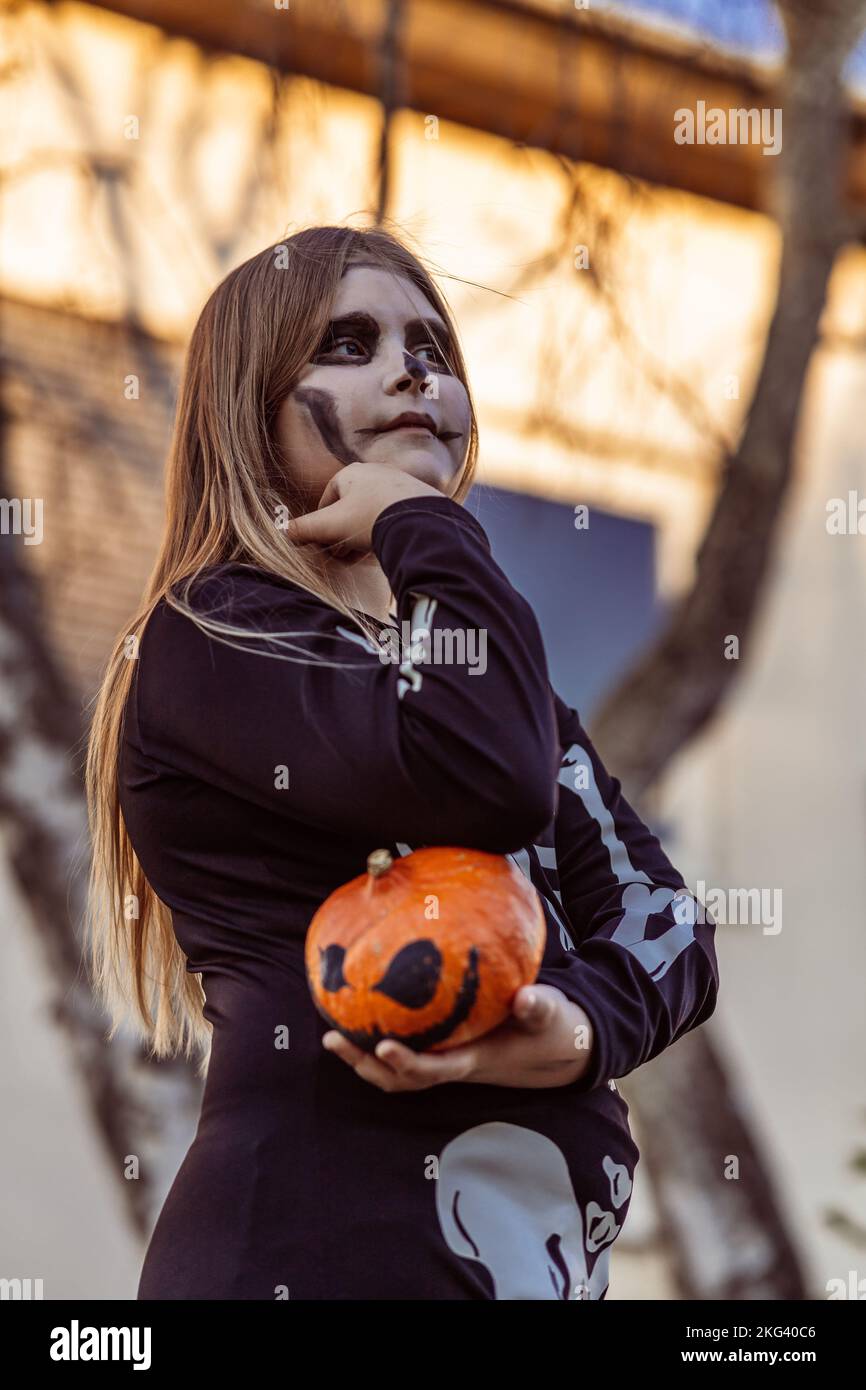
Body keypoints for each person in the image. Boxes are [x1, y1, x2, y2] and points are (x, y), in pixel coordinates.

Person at [84, 225, 719, 1301]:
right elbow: (483, 779)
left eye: (431, 341)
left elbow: (668, 927)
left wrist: (569, 1028)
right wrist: (424, 524)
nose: (412, 367)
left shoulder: (484, 690)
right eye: (349, 343)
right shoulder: (212, 638)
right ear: (249, 409)